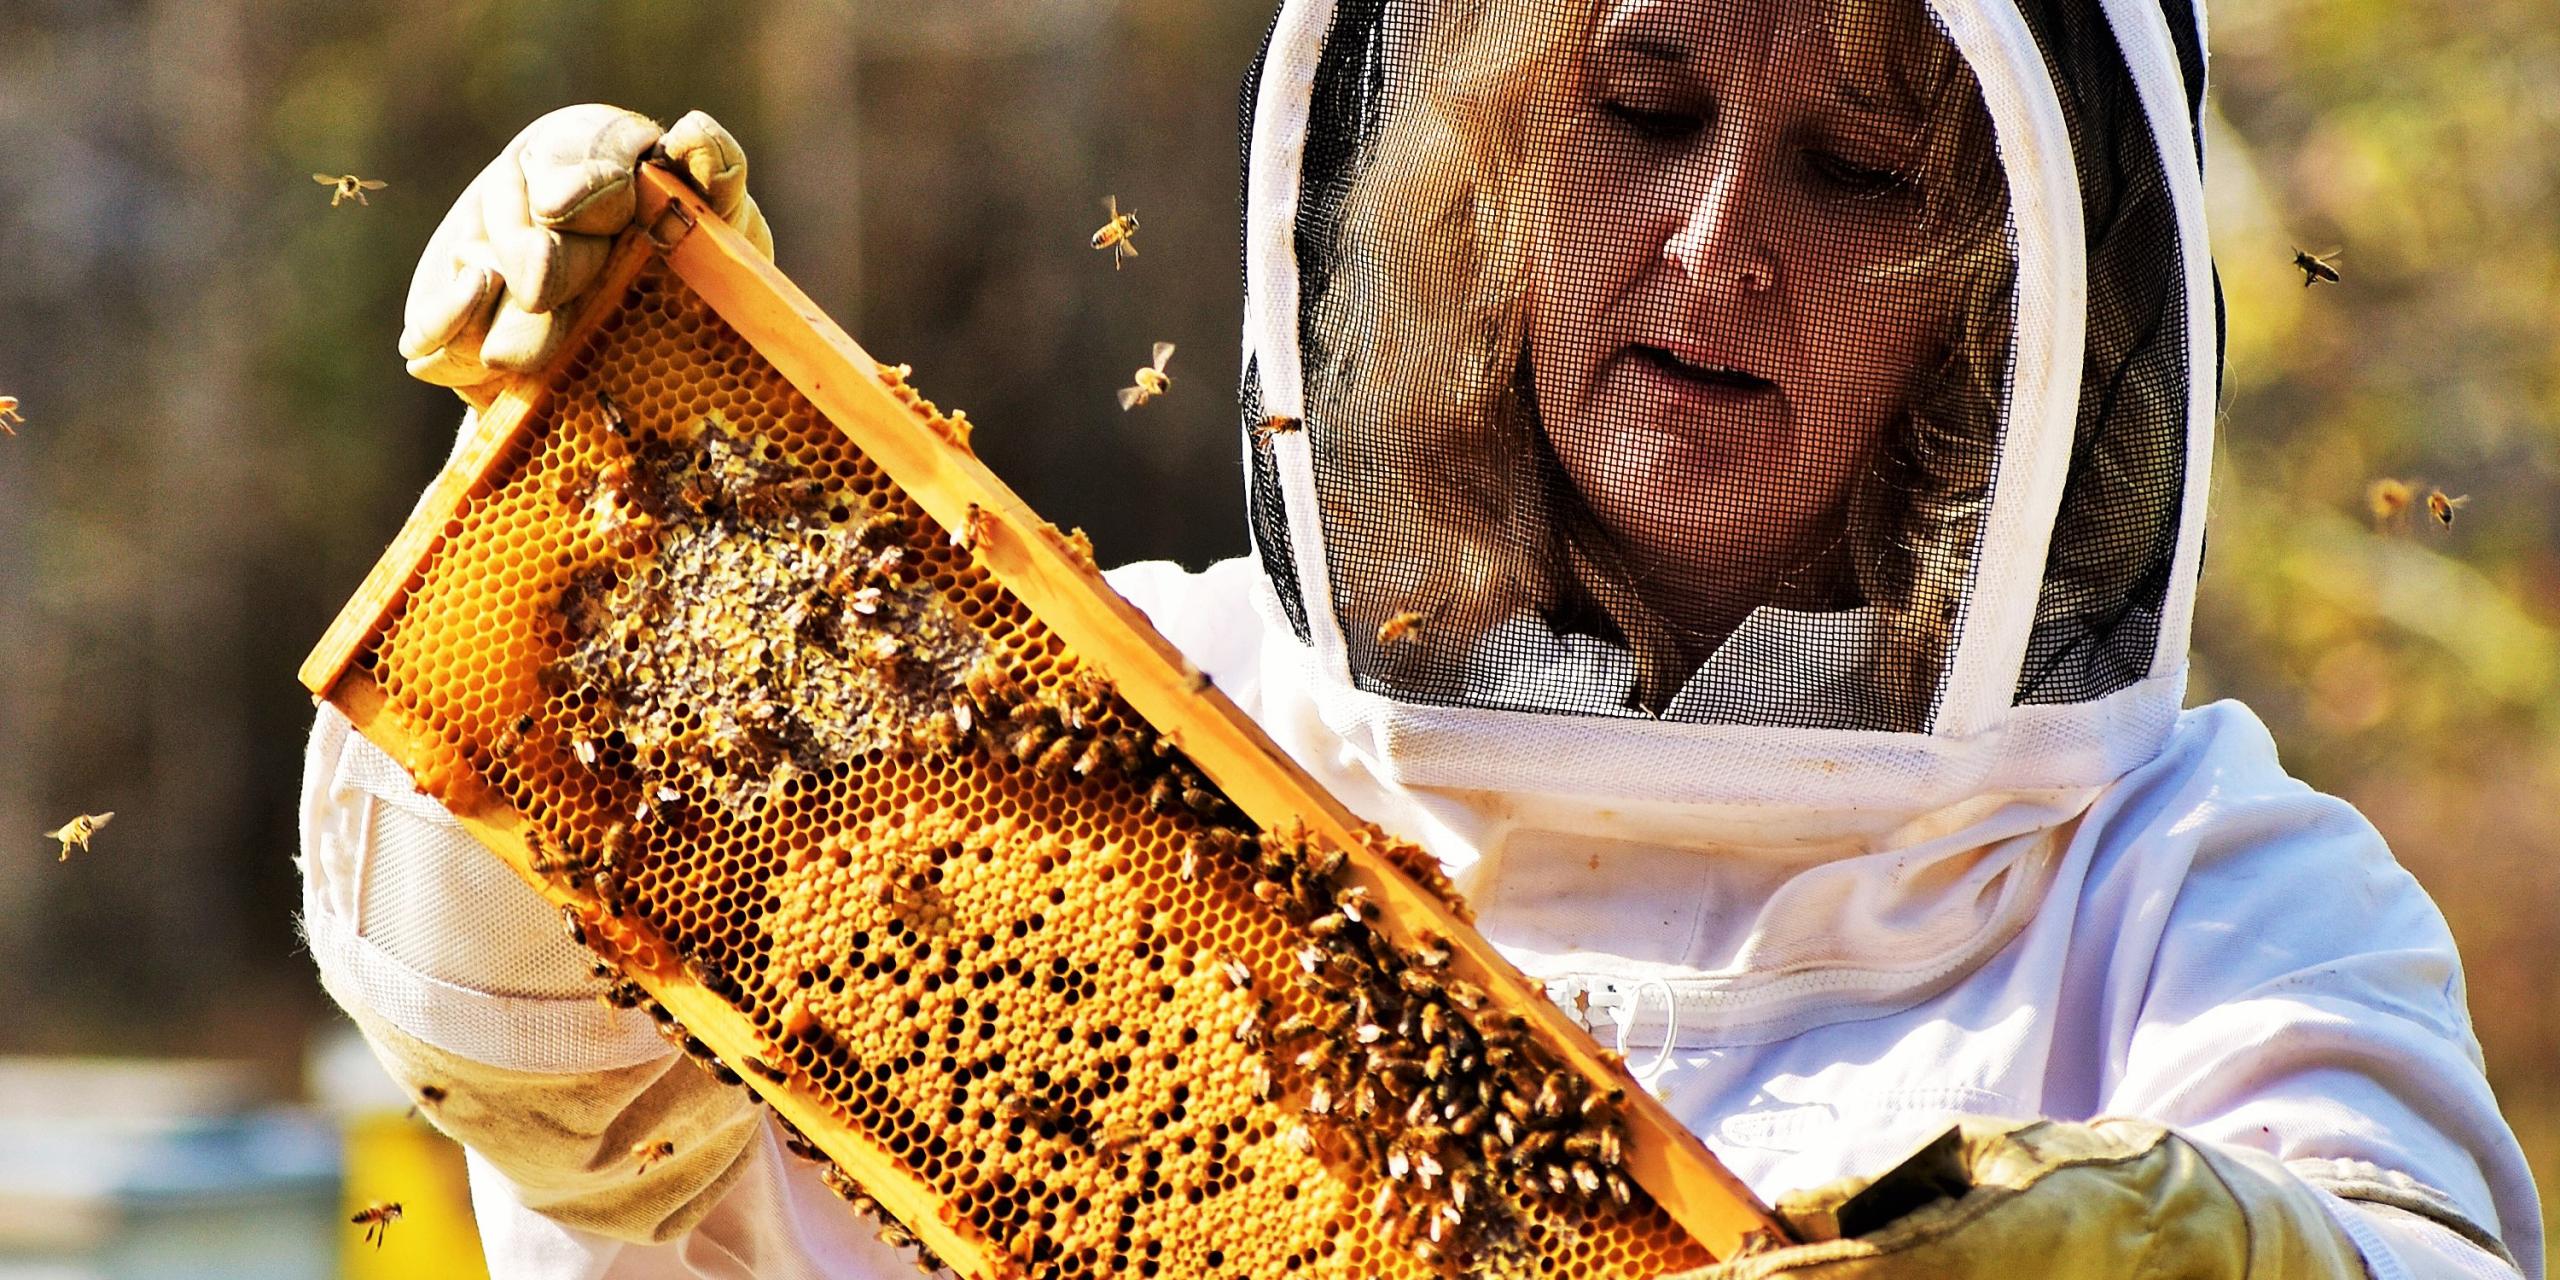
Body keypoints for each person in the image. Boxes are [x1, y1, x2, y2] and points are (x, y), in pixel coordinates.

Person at [299, 3, 2544, 1277]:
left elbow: (2409, 1244)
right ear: (1483, 166)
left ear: (2006, 300)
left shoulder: (2195, 891)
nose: (1711, 241)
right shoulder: (1109, 733)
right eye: (1639, 113)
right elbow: (601, 1120)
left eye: (1856, 172)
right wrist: (614, 544)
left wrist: (2224, 1255)